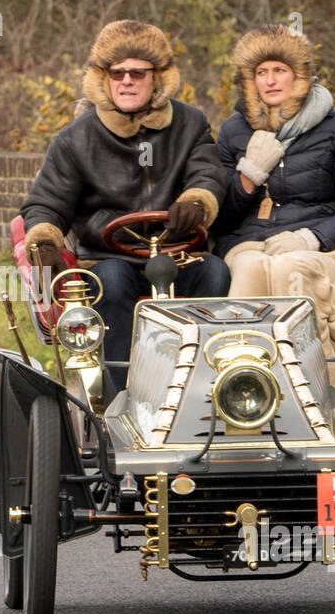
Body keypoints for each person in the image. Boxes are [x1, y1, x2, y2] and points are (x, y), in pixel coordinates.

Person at [20, 20, 230, 391]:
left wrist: (197, 202)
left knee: (215, 272)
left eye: (137, 72)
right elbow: (46, 203)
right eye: (118, 73)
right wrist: (45, 239)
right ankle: (123, 397)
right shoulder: (75, 139)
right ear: (104, 79)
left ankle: (206, 389)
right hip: (107, 258)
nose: (127, 81)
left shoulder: (190, 123)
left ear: (158, 79)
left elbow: (207, 174)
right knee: (112, 284)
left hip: (179, 256)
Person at [213, 23, 335, 408]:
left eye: (279, 70)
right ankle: (243, 397)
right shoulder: (232, 130)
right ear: (250, 79)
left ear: (299, 75)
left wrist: (310, 237)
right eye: (261, 72)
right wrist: (249, 177)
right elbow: (221, 217)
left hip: (317, 245)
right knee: (249, 268)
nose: (270, 80)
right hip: (248, 241)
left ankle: (324, 399)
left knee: (289, 268)